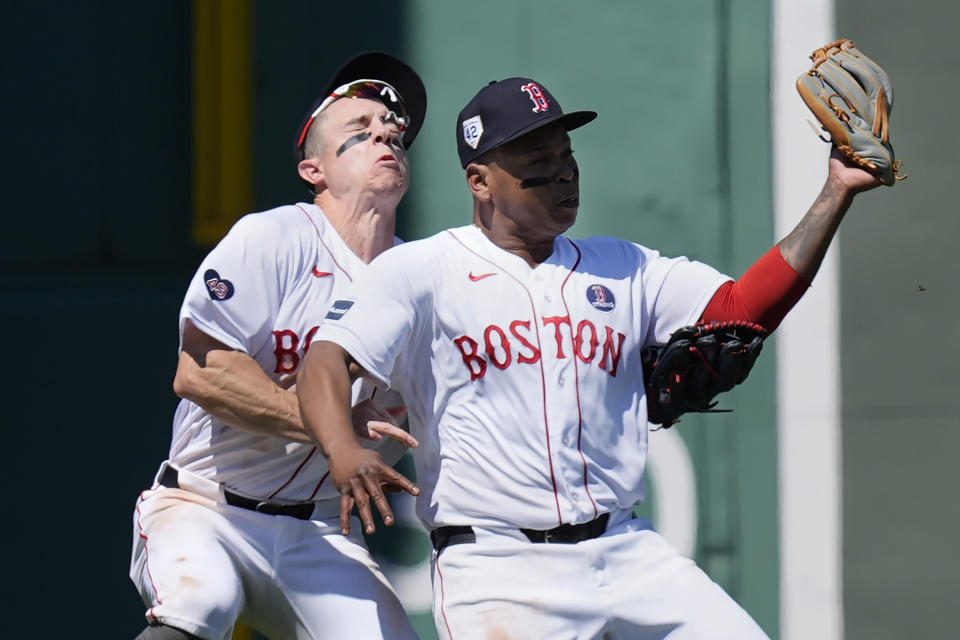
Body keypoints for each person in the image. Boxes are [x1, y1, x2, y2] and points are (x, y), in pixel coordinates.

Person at [295, 76, 879, 639]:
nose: (561, 173)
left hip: (626, 552)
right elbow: (326, 359)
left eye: (565, 154)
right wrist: (342, 449)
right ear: (480, 181)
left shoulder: (623, 265)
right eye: (536, 162)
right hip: (497, 568)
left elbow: (738, 308)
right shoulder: (420, 270)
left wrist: (836, 192)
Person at [128, 52, 426, 640]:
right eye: (359, 133)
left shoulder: (421, 278)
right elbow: (200, 374)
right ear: (313, 169)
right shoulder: (276, 237)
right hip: (206, 506)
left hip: (319, 531)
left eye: (392, 133)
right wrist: (331, 422)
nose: (384, 137)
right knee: (199, 603)